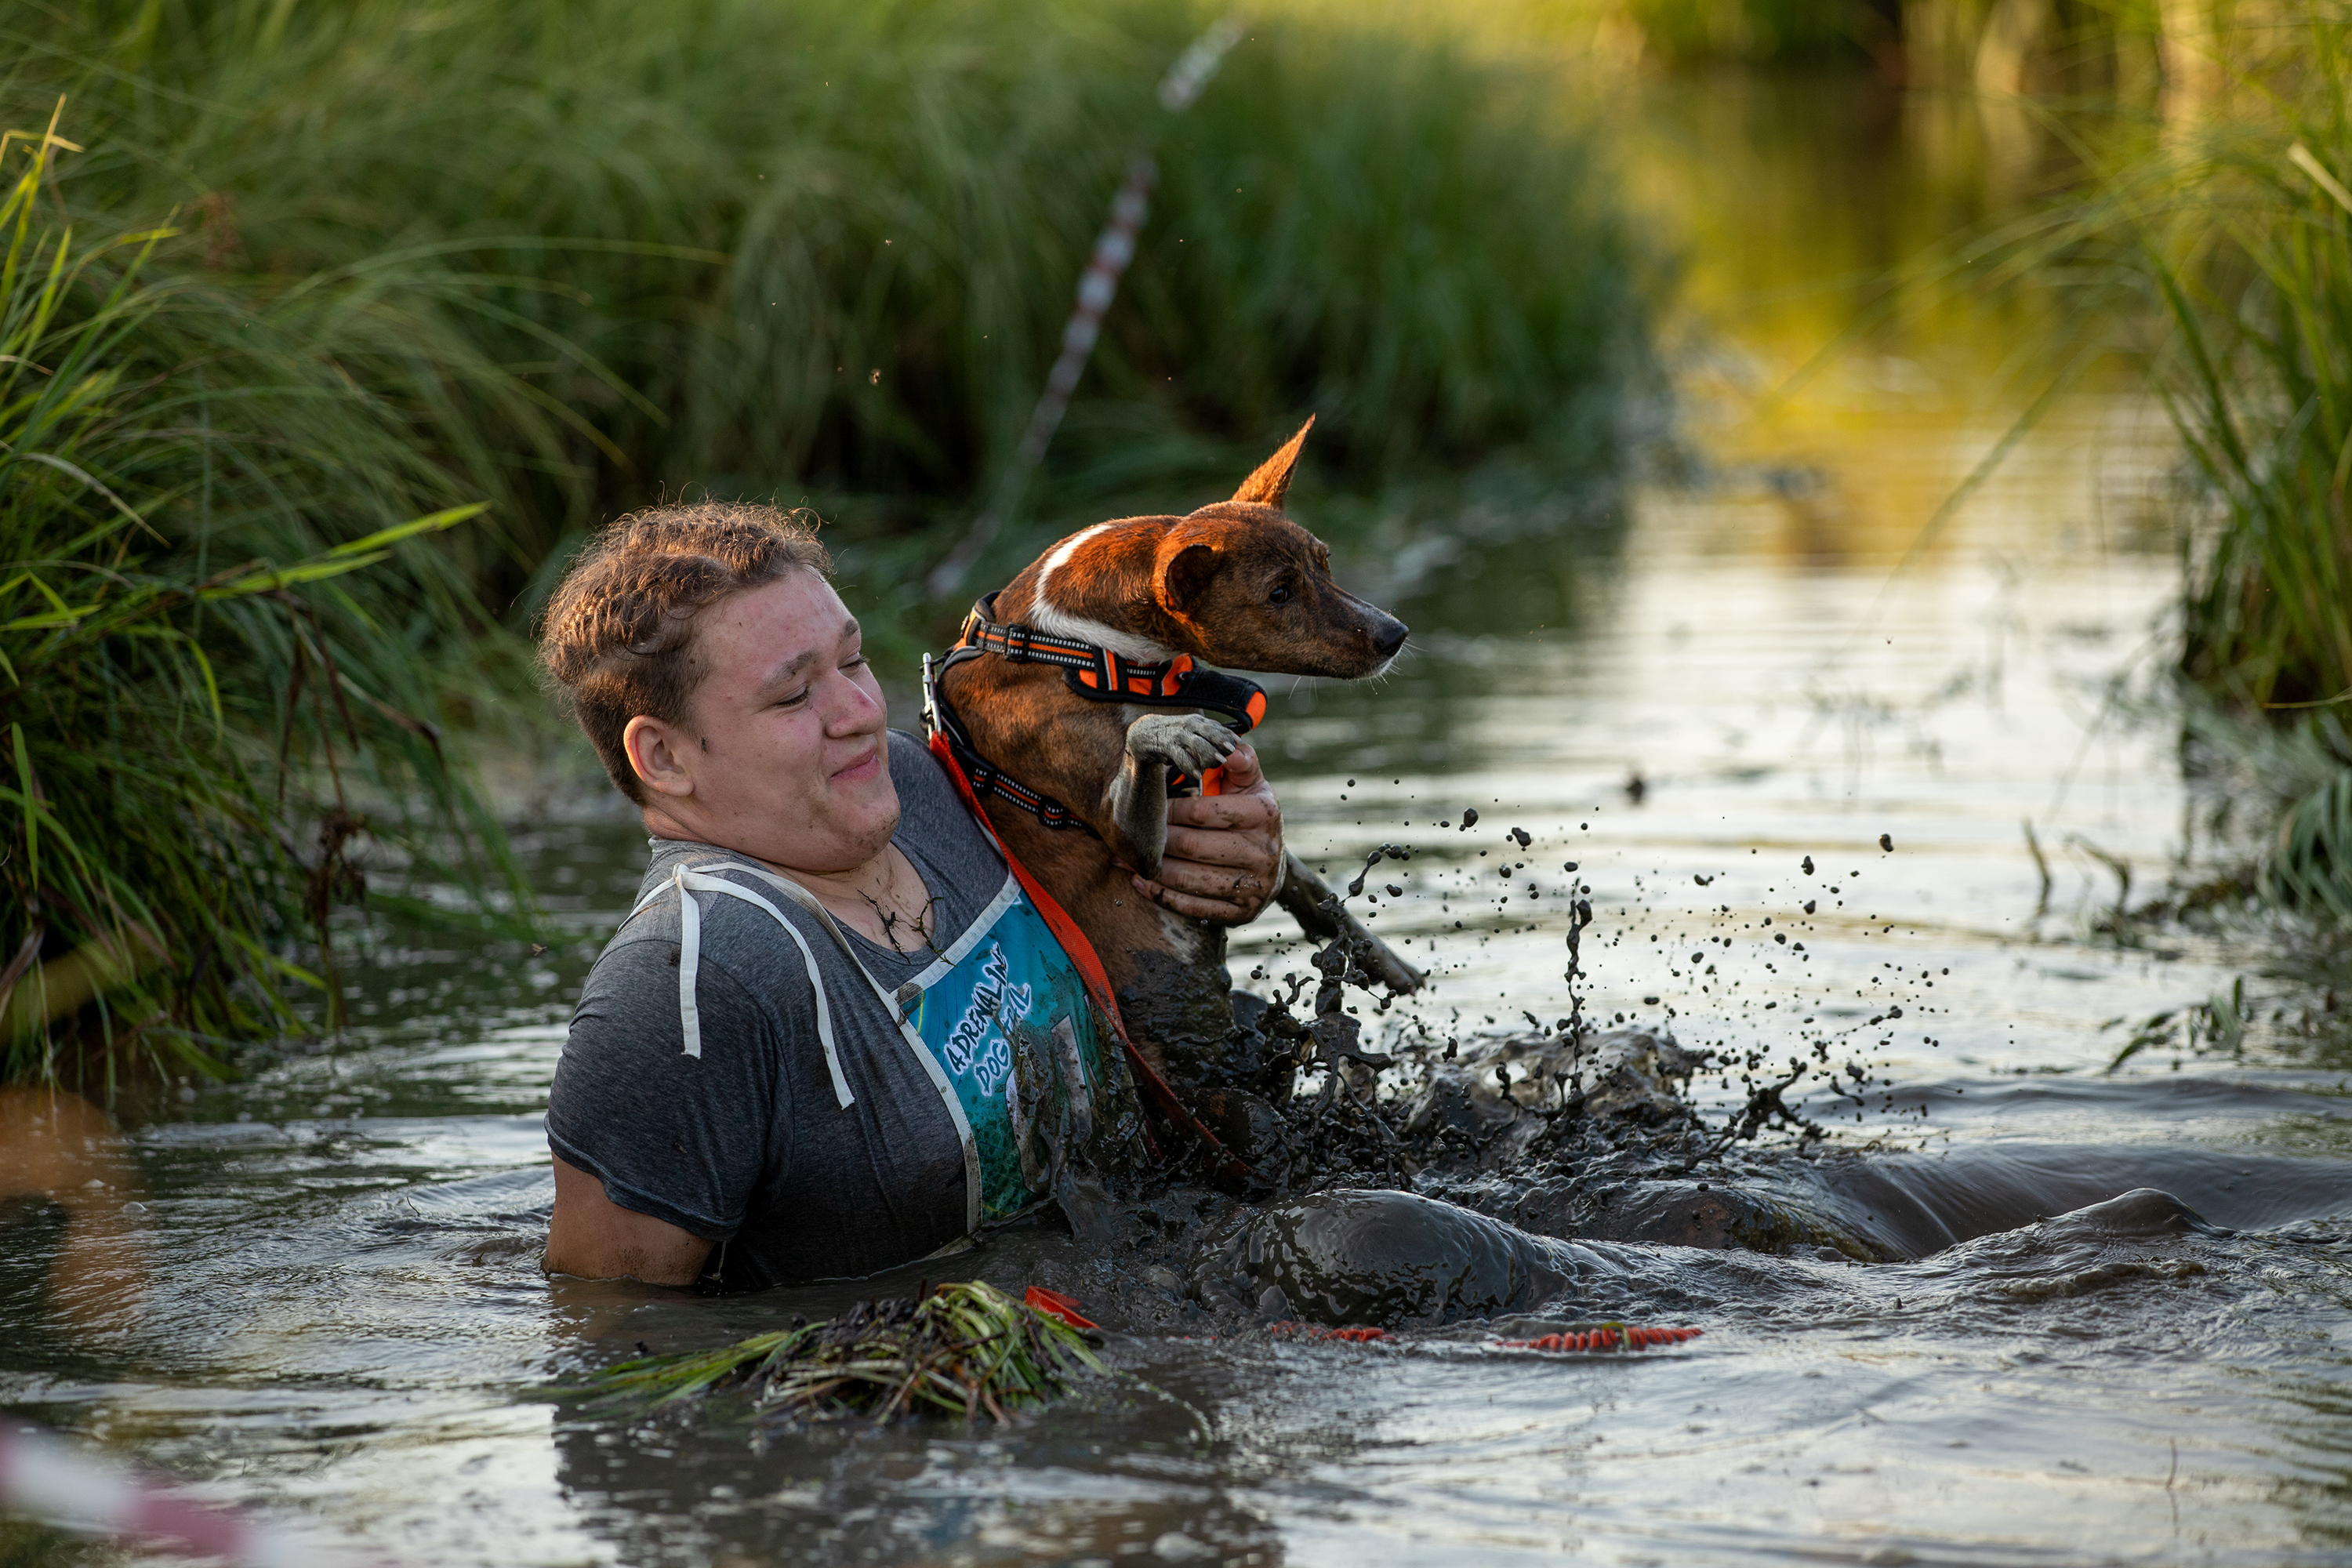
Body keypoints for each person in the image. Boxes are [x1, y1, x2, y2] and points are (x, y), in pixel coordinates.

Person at [537, 503, 1285, 1289]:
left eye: (853, 662)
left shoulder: (931, 780)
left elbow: (1130, 894)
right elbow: (614, 1341)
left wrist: (1233, 854)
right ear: (663, 755)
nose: (861, 713)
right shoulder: (687, 983)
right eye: (794, 697)